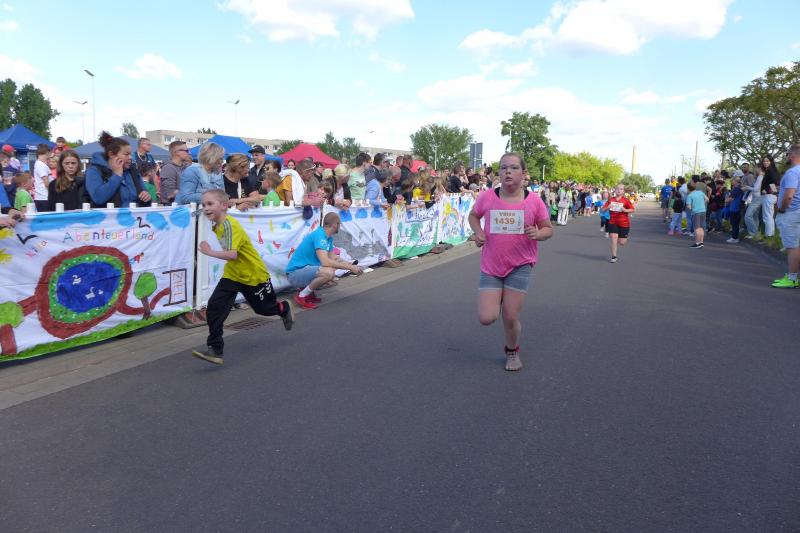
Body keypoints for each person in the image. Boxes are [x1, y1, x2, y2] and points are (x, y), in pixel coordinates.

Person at [467, 152, 552, 372]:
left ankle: (512, 351)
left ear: (523, 173)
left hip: (520, 265)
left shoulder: (534, 201)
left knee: (510, 316)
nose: (508, 172)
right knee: (486, 317)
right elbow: (473, 216)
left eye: (514, 168)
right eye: (504, 167)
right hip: (492, 265)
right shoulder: (487, 197)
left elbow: (548, 229)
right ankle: (500, 299)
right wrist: (478, 233)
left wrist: (538, 234)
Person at [191, 189, 294, 365]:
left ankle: (283, 308)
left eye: (210, 204)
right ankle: (215, 349)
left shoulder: (229, 225)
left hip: (253, 275)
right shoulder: (217, 224)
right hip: (233, 274)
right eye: (204, 204)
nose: (206, 208)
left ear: (224, 206)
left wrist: (209, 252)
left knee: (263, 309)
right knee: (215, 306)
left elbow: (232, 254)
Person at [287, 212, 363, 310]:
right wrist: (350, 267)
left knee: (330, 272)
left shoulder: (328, 237)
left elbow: (334, 258)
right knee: (328, 272)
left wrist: (351, 265)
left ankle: (308, 294)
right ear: (335, 224)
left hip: (302, 271)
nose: (340, 226)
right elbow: (325, 262)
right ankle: (301, 296)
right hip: (294, 275)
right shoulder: (320, 236)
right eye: (339, 224)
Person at [85, 133, 151, 208]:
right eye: (126, 154)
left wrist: (146, 196)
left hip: (134, 214)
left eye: (130, 154)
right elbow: (98, 198)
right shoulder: (94, 171)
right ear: (111, 154)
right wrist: (117, 176)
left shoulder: (132, 171)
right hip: (109, 215)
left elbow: (143, 192)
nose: (130, 157)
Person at [772, 144, 800, 289]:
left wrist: (782, 209)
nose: (787, 156)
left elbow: (789, 196)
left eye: (788, 154)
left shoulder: (792, 172)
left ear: (792, 155)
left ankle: (792, 279)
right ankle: (793, 276)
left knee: (792, 246)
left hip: (791, 213)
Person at [603, 183, 635, 262]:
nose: (619, 190)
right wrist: (608, 207)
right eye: (617, 188)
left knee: (622, 242)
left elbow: (633, 209)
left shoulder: (626, 200)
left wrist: (625, 210)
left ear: (623, 191)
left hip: (624, 223)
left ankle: (616, 241)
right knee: (614, 239)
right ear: (615, 190)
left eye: (621, 189)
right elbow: (603, 210)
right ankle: (614, 256)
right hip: (613, 222)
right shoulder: (611, 200)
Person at [760, 155, 780, 237]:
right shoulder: (770, 170)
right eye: (764, 161)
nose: (765, 162)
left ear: (771, 162)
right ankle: (769, 235)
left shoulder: (770, 170)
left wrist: (768, 190)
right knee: (768, 216)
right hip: (770, 196)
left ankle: (769, 235)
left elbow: (776, 182)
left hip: (769, 196)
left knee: (767, 216)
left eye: (767, 161)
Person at [685, 181, 708, 249]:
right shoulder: (700, 192)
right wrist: (702, 204)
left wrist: (693, 207)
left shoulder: (690, 196)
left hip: (696, 212)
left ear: (688, 188)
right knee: (701, 227)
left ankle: (697, 243)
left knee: (696, 228)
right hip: (703, 211)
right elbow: (707, 199)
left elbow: (689, 206)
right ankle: (701, 242)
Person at [725, 174, 744, 244]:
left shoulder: (736, 189)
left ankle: (734, 238)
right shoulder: (738, 189)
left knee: (734, 224)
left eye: (732, 180)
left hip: (735, 208)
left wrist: (726, 200)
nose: (731, 181)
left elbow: (730, 199)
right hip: (736, 208)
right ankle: (734, 237)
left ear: (736, 182)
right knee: (735, 224)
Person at [32, 143, 51, 212]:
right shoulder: (41, 165)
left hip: (42, 197)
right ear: (47, 153)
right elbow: (47, 183)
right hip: (44, 197)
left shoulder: (39, 164)